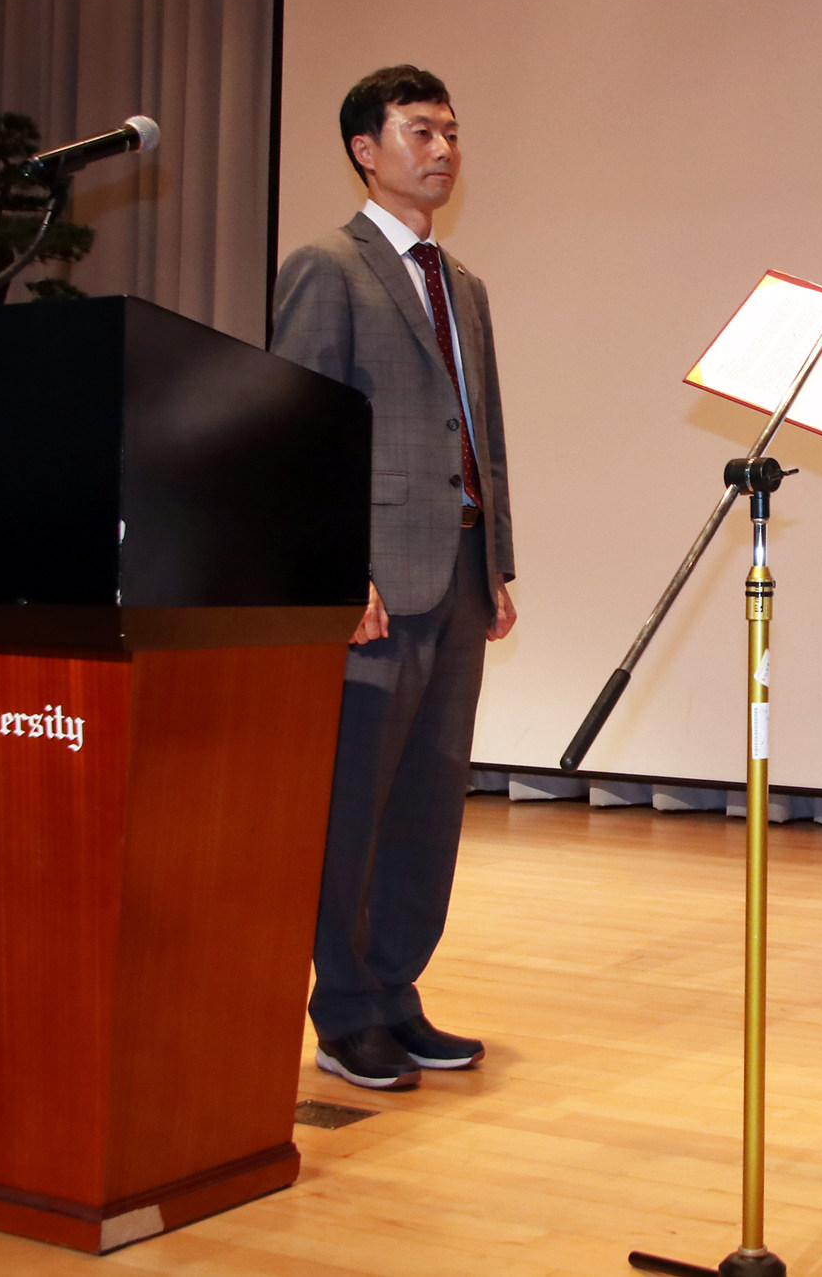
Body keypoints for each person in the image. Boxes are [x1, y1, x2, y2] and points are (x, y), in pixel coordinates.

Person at [271, 65, 517, 1090]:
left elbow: (483, 431)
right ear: (366, 151)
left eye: (451, 131)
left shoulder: (463, 285)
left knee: (426, 800)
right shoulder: (327, 268)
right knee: (353, 801)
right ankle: (343, 1012)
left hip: (456, 573)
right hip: (371, 583)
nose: (443, 149)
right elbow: (298, 429)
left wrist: (496, 561)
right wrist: (333, 568)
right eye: (420, 131)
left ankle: (396, 992)